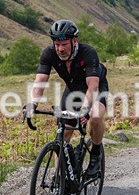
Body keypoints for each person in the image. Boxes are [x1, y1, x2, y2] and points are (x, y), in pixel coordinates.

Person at [27, 19, 108, 178]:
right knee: (63, 135)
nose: (60, 49)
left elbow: (92, 87)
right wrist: (32, 104)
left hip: (94, 88)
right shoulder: (49, 53)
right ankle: (60, 181)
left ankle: (96, 154)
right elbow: (40, 81)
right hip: (72, 90)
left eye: (64, 44)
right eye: (57, 44)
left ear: (74, 41)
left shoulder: (88, 54)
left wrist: (85, 109)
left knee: (95, 116)